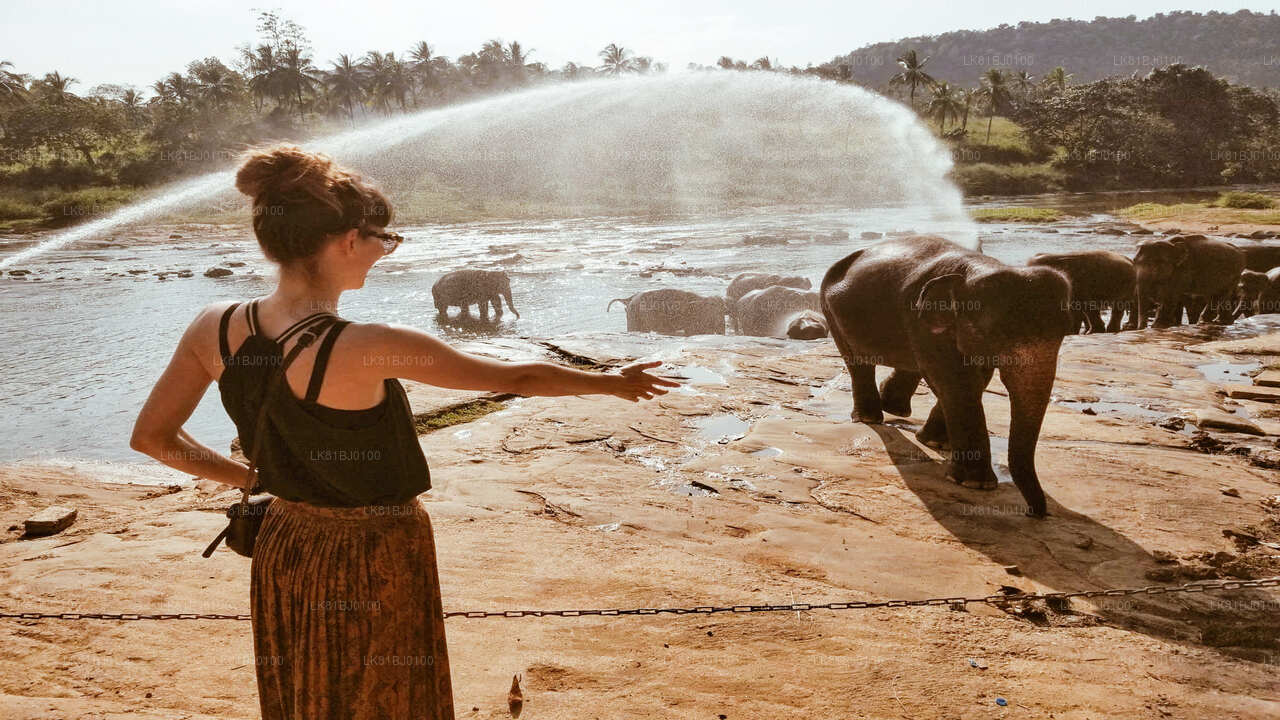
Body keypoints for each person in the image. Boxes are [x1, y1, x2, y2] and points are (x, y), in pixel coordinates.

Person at [129, 143, 680, 719]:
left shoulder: (214, 324)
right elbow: (517, 376)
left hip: (286, 543)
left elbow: (152, 438)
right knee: (389, 697)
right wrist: (612, 383)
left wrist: (252, 476)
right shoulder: (369, 345)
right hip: (377, 550)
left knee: (303, 691)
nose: (385, 252)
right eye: (383, 239)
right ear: (347, 241)